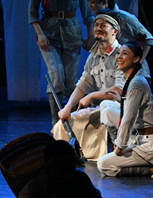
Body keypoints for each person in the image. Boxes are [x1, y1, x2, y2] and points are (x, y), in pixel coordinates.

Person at [29, 0, 93, 125]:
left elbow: (87, 12)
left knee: (72, 82)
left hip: (72, 35)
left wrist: (91, 36)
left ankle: (71, 125)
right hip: (49, 36)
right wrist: (40, 33)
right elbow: (32, 11)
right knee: (56, 77)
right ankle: (56, 124)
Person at [53, 13, 125, 161]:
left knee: (102, 112)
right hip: (98, 109)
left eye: (103, 25)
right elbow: (84, 83)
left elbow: (119, 89)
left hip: (118, 108)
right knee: (63, 124)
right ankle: (65, 159)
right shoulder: (93, 56)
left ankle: (97, 158)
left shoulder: (122, 55)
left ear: (115, 31)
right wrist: (68, 107)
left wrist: (92, 96)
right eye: (96, 24)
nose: (98, 28)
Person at [97, 42, 153, 177]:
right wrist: (121, 99)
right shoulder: (133, 79)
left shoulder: (137, 84)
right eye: (118, 53)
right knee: (106, 106)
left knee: (104, 164)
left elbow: (128, 118)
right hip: (138, 136)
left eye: (125, 53)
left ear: (136, 59)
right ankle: (119, 144)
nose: (119, 57)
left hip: (149, 143)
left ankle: (149, 169)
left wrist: (120, 147)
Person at [88, 0, 153, 81]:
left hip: (135, 75)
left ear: (105, 1)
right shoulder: (100, 21)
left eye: (93, 2)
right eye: (89, 2)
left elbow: (149, 39)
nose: (90, 6)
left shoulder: (125, 18)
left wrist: (137, 64)